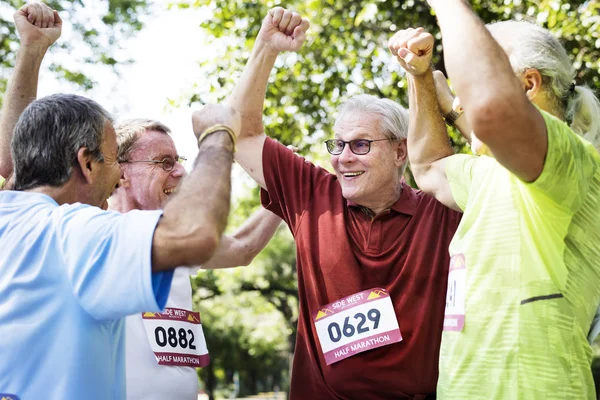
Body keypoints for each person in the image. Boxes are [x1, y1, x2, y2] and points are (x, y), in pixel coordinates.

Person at [0, 6, 281, 399]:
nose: (180, 173)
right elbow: (195, 231)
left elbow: (16, 164)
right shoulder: (85, 232)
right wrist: (217, 137)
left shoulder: (14, 218)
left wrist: (30, 51)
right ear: (89, 163)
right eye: (164, 162)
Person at [228, 7, 461, 399]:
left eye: (360, 145)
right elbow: (241, 133)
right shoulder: (312, 192)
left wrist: (430, 85)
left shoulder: (442, 209)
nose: (342, 157)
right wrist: (266, 48)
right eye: (337, 145)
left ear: (401, 152)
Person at [388, 1, 600, 397]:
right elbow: (430, 166)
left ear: (528, 85)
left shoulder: (572, 161)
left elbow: (493, 111)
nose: (460, 102)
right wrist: (419, 79)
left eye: (467, 85)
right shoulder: (492, 174)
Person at [111, 119, 282, 400]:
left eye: (179, 161)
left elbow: (242, 247)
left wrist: (286, 190)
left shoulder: (174, 237)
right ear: (121, 173)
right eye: (165, 162)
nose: (181, 171)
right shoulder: (91, 234)